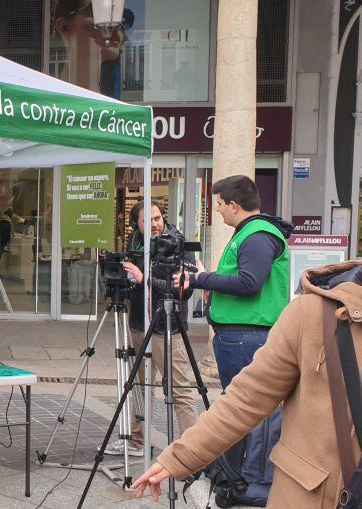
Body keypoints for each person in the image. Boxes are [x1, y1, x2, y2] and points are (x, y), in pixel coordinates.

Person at [134, 260, 362, 508]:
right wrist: (180, 457)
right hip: (317, 496)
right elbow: (246, 398)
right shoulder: (314, 315)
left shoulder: (262, 235)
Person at [176, 174, 293, 503]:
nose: (218, 211)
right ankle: (240, 477)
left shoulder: (257, 236)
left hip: (248, 338)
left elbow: (249, 283)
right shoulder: (251, 233)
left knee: (246, 411)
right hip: (241, 337)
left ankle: (249, 485)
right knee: (242, 409)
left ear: (233, 204)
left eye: (219, 204)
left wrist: (201, 278)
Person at [104, 200, 197, 457]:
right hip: (137, 323)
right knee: (139, 387)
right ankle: (136, 440)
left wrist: (143, 278)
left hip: (165, 325)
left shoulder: (177, 244)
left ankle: (194, 448)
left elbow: (182, 291)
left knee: (179, 389)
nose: (155, 224)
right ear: (137, 224)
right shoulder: (135, 242)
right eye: (148, 220)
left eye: (157, 218)